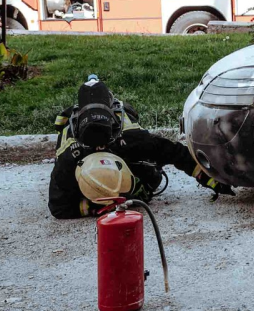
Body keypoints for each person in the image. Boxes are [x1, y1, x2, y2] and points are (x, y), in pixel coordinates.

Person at [48, 76, 232, 219]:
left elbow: (174, 152)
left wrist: (211, 178)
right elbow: (58, 208)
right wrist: (96, 207)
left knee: (152, 179)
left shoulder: (132, 140)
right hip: (87, 177)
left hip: (130, 160)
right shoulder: (68, 159)